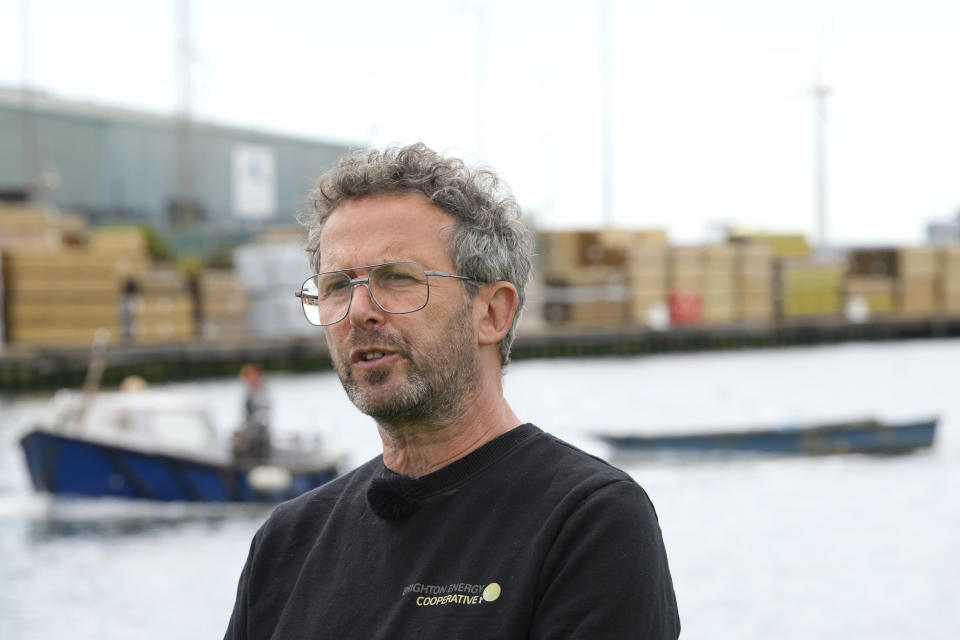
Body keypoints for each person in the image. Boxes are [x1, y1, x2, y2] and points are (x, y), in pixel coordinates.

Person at [224, 143, 680, 639]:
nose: (358, 310)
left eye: (396, 278)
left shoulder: (588, 521)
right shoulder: (287, 543)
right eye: (336, 285)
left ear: (492, 313)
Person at [232, 363, 271, 463]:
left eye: (249, 375)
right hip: (252, 434)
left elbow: (261, 417)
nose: (247, 379)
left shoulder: (261, 393)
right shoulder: (251, 392)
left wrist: (246, 433)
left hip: (259, 438)